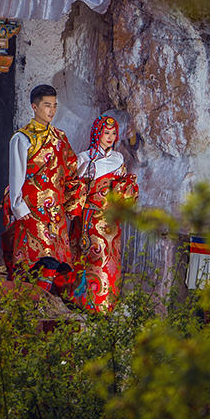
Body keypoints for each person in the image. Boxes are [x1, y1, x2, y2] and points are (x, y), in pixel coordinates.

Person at [3, 84, 83, 295]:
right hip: (32, 210)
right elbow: (16, 177)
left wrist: (72, 204)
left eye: (54, 106)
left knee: (57, 262)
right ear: (34, 107)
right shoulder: (22, 138)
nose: (51, 111)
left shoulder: (60, 138)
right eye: (47, 105)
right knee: (38, 259)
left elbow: (71, 170)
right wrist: (19, 209)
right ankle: (31, 302)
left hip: (55, 212)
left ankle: (42, 302)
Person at [70, 115, 138, 312]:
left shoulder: (119, 158)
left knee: (111, 257)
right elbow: (75, 188)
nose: (110, 137)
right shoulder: (84, 159)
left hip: (111, 220)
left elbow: (124, 187)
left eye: (113, 133)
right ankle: (84, 301)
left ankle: (106, 302)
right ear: (97, 134)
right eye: (106, 133)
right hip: (89, 217)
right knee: (90, 255)